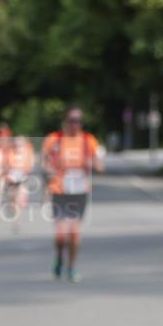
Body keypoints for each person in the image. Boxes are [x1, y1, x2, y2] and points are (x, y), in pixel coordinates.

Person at [42, 107, 104, 282]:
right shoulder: (54, 139)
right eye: (71, 120)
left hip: (79, 192)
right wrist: (50, 172)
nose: (75, 124)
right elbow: (44, 162)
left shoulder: (88, 140)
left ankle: (71, 267)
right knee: (61, 235)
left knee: (74, 234)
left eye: (78, 120)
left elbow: (100, 166)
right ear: (65, 121)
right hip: (59, 191)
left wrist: (90, 163)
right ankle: (59, 258)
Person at [3, 135, 35, 230]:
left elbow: (31, 166)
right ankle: (12, 208)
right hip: (11, 179)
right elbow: (5, 165)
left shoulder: (28, 152)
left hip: (22, 178)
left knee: (18, 200)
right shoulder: (9, 152)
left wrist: (25, 171)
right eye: (16, 143)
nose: (18, 145)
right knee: (12, 199)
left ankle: (16, 222)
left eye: (20, 143)